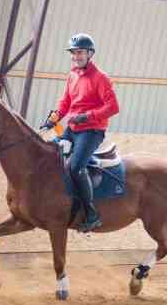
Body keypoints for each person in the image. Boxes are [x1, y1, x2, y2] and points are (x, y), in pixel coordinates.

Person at [45, 33, 120, 233]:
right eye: (74, 53)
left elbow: (113, 107)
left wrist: (87, 116)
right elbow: (65, 102)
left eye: (80, 52)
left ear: (90, 54)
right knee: (49, 153)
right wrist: (54, 117)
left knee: (76, 167)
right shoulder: (72, 76)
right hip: (72, 128)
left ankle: (91, 213)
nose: (76, 56)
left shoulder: (101, 78)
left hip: (92, 130)